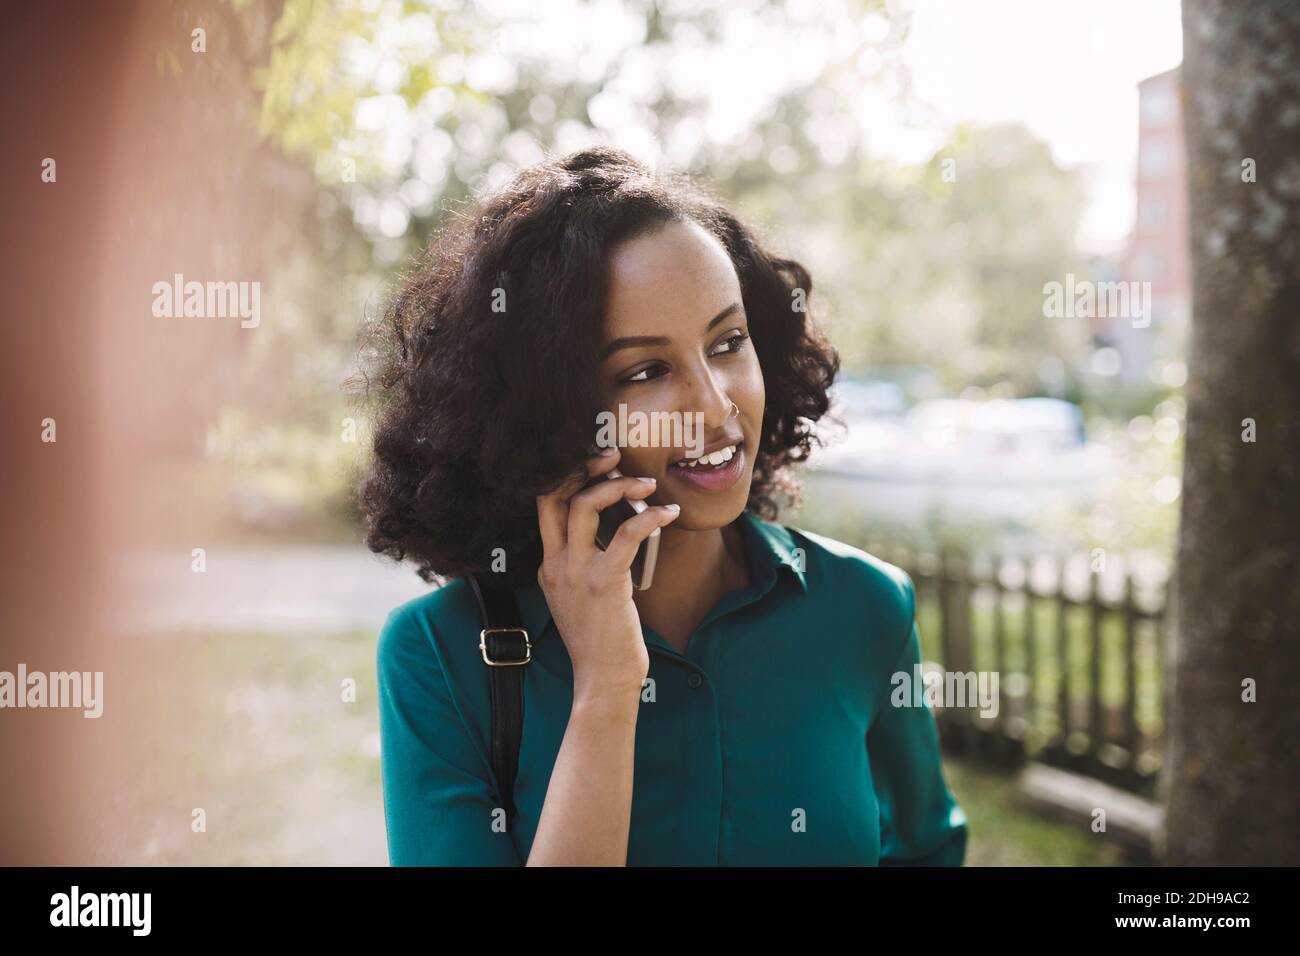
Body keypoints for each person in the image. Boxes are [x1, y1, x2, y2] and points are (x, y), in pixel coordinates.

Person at [359, 146, 967, 866]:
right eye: (645, 371)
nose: (714, 407)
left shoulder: (865, 608)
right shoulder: (440, 656)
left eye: (729, 343)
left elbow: (928, 850)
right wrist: (608, 688)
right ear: (542, 408)